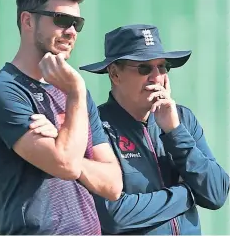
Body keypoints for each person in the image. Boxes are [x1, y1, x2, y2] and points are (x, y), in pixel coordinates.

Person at [0, 0, 122, 235]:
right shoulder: (3, 93)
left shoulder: (75, 91)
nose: (71, 31)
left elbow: (112, 184)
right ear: (28, 20)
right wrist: (75, 94)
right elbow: (65, 166)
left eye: (77, 23)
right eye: (62, 20)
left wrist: (60, 139)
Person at [79, 24, 230, 235]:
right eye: (144, 68)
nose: (156, 77)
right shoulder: (95, 128)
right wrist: (187, 193)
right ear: (114, 74)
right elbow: (114, 216)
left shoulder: (181, 119)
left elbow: (216, 193)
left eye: (163, 66)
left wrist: (174, 131)